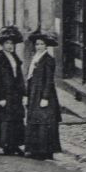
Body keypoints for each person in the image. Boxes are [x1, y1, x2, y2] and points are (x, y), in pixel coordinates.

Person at [0, 26, 26, 156]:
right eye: (7, 43)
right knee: (5, 120)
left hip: (15, 94)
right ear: (2, 45)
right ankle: (7, 145)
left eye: (11, 43)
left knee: (16, 119)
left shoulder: (14, 57)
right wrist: (1, 97)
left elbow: (18, 76)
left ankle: (15, 144)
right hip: (4, 94)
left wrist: (23, 92)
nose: (10, 46)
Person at [23, 30, 63, 160]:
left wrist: (45, 97)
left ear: (46, 46)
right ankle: (34, 149)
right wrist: (27, 94)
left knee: (44, 122)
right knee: (34, 120)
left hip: (44, 94)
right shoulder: (35, 58)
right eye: (37, 44)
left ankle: (45, 150)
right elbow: (29, 79)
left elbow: (49, 80)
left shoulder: (48, 59)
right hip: (34, 93)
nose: (39, 46)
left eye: (41, 44)